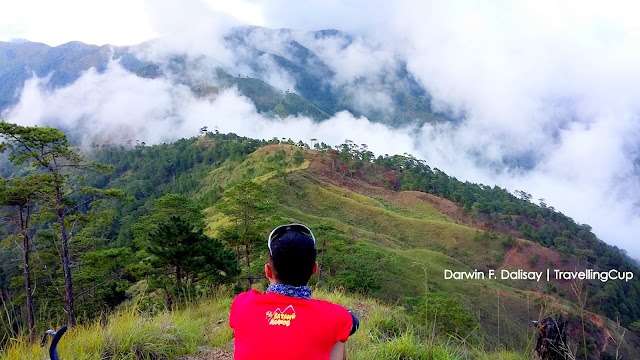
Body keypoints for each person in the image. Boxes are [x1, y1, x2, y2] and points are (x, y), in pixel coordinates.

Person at [229, 223, 359, 360]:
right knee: (339, 338)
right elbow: (353, 322)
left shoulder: (241, 303)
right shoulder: (334, 316)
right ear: (314, 269)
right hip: (337, 321)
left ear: (268, 271)